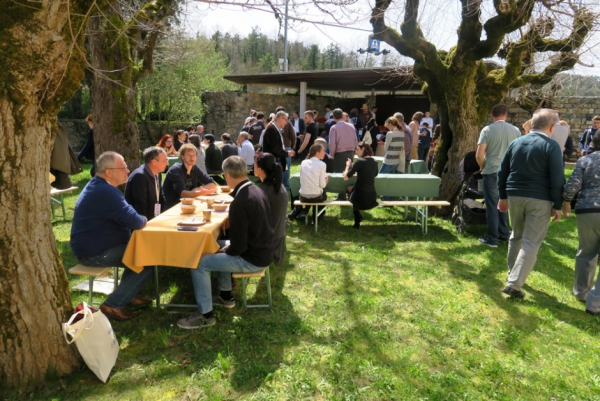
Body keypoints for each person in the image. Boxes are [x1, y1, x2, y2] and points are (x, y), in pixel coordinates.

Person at [177, 156, 275, 329]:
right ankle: (225, 295)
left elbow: (238, 247)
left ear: (227, 176)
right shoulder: (256, 190)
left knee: (198, 262)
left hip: (252, 258)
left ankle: (205, 315)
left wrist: (222, 250)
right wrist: (222, 248)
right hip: (263, 250)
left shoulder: (240, 201)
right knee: (218, 244)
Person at [70, 151, 154, 321]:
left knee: (138, 253)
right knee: (149, 257)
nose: (128, 171)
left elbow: (126, 214)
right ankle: (113, 305)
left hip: (96, 248)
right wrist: (144, 218)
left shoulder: (101, 186)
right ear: (109, 172)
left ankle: (127, 294)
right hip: (96, 253)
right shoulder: (105, 192)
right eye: (123, 168)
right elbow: (135, 221)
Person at [497, 108, 564, 299]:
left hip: (514, 196)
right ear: (552, 127)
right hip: (540, 199)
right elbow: (558, 179)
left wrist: (502, 196)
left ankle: (513, 274)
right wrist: (557, 205)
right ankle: (514, 284)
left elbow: (502, 172)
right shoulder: (551, 146)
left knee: (516, 236)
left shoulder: (516, 143)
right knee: (531, 242)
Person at [563, 133, 600, 315]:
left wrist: (566, 202)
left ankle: (581, 292)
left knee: (586, 252)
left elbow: (572, 186)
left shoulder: (585, 160)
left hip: (586, 210)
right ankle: (595, 303)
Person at [476, 103, 522, 248]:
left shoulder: (487, 129)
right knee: (504, 203)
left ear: (492, 116)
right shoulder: (515, 130)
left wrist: (482, 166)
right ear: (506, 115)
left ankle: (492, 238)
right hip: (509, 172)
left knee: (492, 205)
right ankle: (504, 233)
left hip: (492, 170)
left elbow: (479, 154)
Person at [254, 152, 288, 265]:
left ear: (259, 169)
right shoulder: (279, 187)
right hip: (277, 238)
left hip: (267, 244)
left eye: (254, 165)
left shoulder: (263, 191)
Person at [162, 143, 217, 209]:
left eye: (194, 155)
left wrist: (197, 190)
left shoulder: (194, 168)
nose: (192, 158)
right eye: (188, 155)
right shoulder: (175, 170)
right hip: (173, 207)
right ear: (182, 156)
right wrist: (199, 192)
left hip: (188, 205)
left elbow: (212, 184)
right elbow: (183, 194)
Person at [125, 147, 169, 221]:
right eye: (165, 161)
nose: (167, 164)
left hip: (154, 219)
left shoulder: (158, 174)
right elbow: (140, 206)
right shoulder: (140, 176)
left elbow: (161, 197)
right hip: (141, 223)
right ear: (154, 162)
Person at [344, 142, 379, 229]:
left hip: (360, 197)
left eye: (357, 149)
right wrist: (356, 168)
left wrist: (348, 166)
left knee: (349, 188)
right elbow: (374, 174)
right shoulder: (374, 161)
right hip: (371, 197)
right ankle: (357, 218)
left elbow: (345, 177)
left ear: (363, 149)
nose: (356, 152)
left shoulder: (359, 162)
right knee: (354, 190)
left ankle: (357, 218)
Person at [329, 108, 358, 200]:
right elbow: (355, 140)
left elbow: (332, 143)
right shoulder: (351, 126)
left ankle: (341, 196)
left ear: (333, 117)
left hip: (339, 154)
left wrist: (332, 154)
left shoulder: (334, 128)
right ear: (342, 116)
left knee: (340, 174)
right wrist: (354, 151)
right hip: (350, 153)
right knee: (349, 174)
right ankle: (349, 193)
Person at [297, 143, 329, 221]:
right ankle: (318, 217)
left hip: (303, 196)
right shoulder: (322, 164)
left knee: (313, 191)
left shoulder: (303, 162)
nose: (325, 153)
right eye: (323, 151)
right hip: (316, 197)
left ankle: (304, 211)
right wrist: (326, 181)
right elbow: (322, 185)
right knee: (322, 193)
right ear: (317, 153)